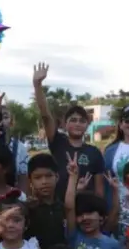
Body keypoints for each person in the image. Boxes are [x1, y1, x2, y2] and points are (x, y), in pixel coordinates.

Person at [32, 62, 105, 199]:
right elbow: (46, 116)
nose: (78, 124)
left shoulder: (94, 153)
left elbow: (99, 191)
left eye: (82, 121)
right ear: (65, 125)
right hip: (60, 210)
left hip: (85, 213)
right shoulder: (58, 142)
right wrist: (37, 85)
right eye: (73, 120)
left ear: (87, 125)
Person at [23, 153, 67, 249]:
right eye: (38, 178)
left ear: (57, 177)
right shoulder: (27, 209)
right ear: (30, 181)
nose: (44, 182)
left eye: (48, 176)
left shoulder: (64, 206)